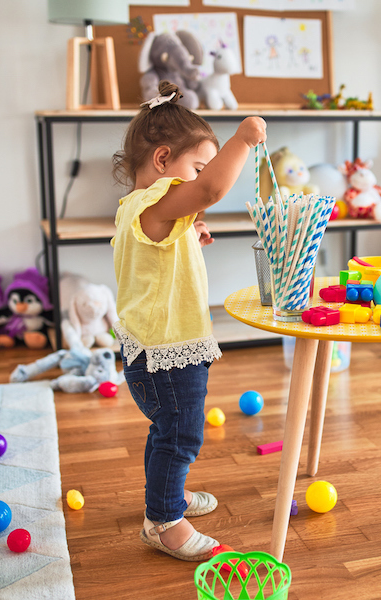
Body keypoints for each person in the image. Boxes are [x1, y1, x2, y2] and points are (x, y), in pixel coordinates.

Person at [111, 80, 267, 561]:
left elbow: (158, 256)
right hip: (165, 353)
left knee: (167, 432)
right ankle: (163, 523)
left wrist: (188, 234)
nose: (201, 178)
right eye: (196, 164)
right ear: (162, 161)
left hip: (159, 347)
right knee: (181, 434)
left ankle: (167, 500)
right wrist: (242, 138)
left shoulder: (142, 210)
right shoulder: (153, 204)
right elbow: (212, 188)